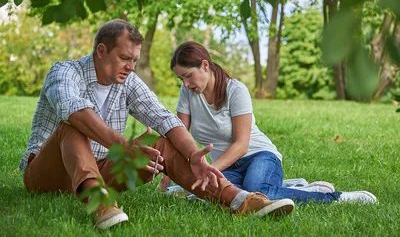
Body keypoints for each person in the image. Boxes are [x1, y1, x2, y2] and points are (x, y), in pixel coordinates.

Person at [19, 20, 296, 230]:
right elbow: (74, 112)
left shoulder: (127, 81)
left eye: (135, 61)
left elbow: (164, 118)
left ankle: (240, 199)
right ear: (101, 51)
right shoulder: (65, 72)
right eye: (125, 58)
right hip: (47, 174)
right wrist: (125, 147)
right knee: (74, 125)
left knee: (162, 141)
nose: (131, 67)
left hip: (102, 167)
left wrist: (193, 155)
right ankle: (101, 204)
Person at [160, 41, 377, 205]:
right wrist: (170, 172)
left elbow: (241, 145)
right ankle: (293, 186)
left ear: (205, 65)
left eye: (188, 76)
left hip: (259, 156)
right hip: (227, 166)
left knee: (259, 193)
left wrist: (210, 170)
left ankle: (334, 197)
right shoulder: (188, 92)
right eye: (182, 79)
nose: (186, 84)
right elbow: (181, 134)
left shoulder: (235, 90)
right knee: (208, 193)